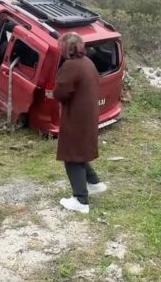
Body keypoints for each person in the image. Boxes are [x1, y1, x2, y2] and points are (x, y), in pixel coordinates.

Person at [53, 32, 108, 213]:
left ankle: (80, 200)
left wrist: (54, 92)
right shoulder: (88, 62)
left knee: (72, 155)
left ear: (65, 48)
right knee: (81, 150)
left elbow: (61, 92)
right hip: (88, 113)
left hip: (76, 115)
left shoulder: (71, 65)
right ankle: (94, 183)